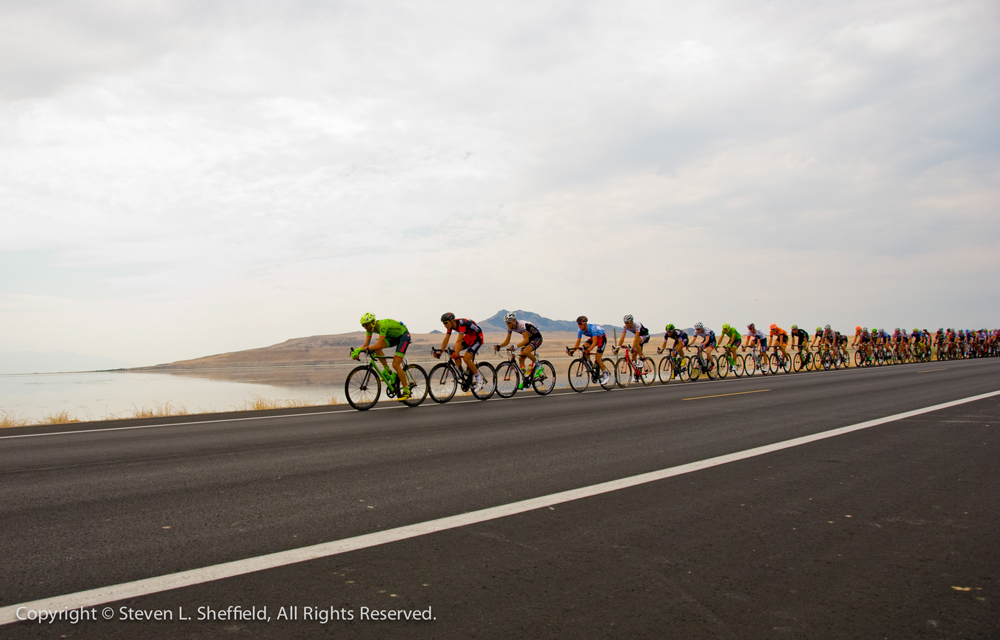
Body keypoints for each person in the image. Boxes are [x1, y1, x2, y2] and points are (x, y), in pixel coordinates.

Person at [353, 313, 412, 400]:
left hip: (403, 336)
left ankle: (407, 391)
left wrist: (360, 350)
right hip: (393, 337)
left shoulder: (382, 326)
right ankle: (388, 372)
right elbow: (366, 344)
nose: (365, 327)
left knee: (395, 365)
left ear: (372, 322)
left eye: (366, 325)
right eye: (363, 326)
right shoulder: (369, 329)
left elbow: (378, 345)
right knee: (377, 350)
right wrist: (357, 350)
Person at [437, 312, 487, 391]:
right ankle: (461, 373)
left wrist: (455, 354)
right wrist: (440, 352)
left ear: (452, 321)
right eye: (443, 323)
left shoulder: (461, 324)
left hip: (477, 337)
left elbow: (459, 340)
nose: (445, 325)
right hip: (468, 336)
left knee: (466, 358)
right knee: (453, 351)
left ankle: (479, 380)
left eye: (446, 323)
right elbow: (446, 339)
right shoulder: (450, 326)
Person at [495, 311, 544, 386]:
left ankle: (539, 366)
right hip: (529, 338)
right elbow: (507, 341)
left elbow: (526, 340)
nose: (507, 325)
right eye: (506, 323)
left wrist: (516, 346)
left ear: (514, 321)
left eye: (508, 323)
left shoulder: (521, 325)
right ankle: (525, 379)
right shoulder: (510, 327)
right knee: (521, 358)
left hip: (537, 337)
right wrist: (499, 346)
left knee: (526, 351)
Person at [569, 316, 610, 384]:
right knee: (584, 347)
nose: (579, 326)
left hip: (601, 338)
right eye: (578, 324)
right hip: (594, 338)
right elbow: (578, 343)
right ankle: (590, 364)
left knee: (598, 357)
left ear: (585, 324)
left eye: (580, 324)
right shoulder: (580, 330)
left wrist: (589, 350)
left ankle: (605, 375)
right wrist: (572, 351)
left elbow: (594, 342)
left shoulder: (592, 328)